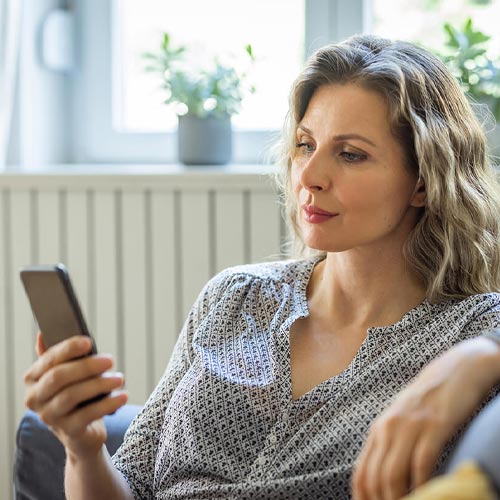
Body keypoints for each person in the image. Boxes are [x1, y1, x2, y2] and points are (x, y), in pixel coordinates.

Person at [24, 34, 500, 500]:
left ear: (423, 180)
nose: (310, 177)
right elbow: (133, 487)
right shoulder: (233, 296)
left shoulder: (471, 331)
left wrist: (478, 358)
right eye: (305, 145)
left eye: (350, 154)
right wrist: (83, 449)